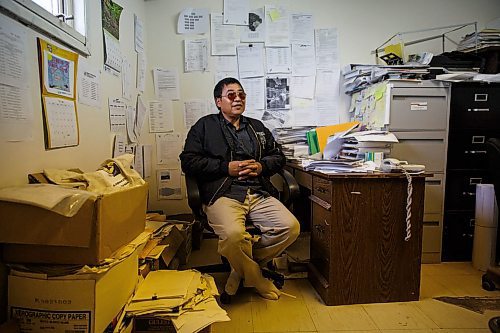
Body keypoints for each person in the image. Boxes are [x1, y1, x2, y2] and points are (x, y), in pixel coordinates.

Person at [180, 77, 300, 300]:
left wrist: (261, 166)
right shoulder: (204, 126)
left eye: (241, 95)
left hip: (258, 192)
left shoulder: (257, 127)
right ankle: (255, 276)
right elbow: (188, 161)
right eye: (231, 95)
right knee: (234, 236)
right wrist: (226, 167)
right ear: (219, 101)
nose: (238, 99)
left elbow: (279, 157)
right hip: (223, 192)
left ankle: (240, 269)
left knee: (290, 227)